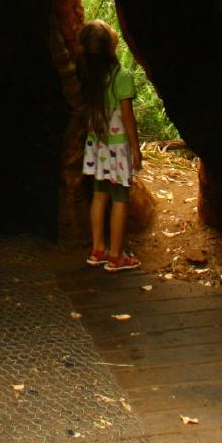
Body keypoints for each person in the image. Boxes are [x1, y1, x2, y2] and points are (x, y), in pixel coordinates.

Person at [77, 20, 142, 271]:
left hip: (97, 146)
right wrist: (135, 148)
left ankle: (97, 249)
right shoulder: (121, 76)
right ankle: (116, 256)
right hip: (117, 147)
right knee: (120, 198)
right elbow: (127, 117)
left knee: (99, 194)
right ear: (108, 46)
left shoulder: (88, 74)